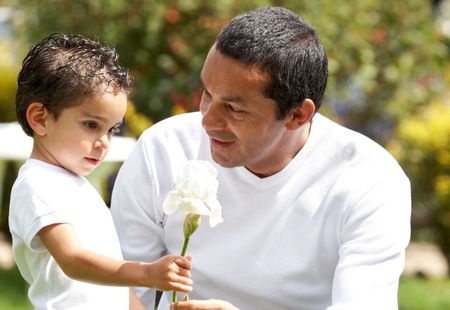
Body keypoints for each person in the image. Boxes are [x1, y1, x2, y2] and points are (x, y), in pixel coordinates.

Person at [110, 6, 411, 310]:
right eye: (207, 93)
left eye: (234, 109)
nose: (207, 121)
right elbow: (116, 287)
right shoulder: (162, 149)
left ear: (297, 115)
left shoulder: (370, 180)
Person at [8, 33, 193, 309]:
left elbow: (111, 274)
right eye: (91, 125)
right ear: (40, 118)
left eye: (112, 129)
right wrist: (146, 273)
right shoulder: (37, 184)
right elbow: (72, 260)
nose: (104, 142)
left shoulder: (76, 184)